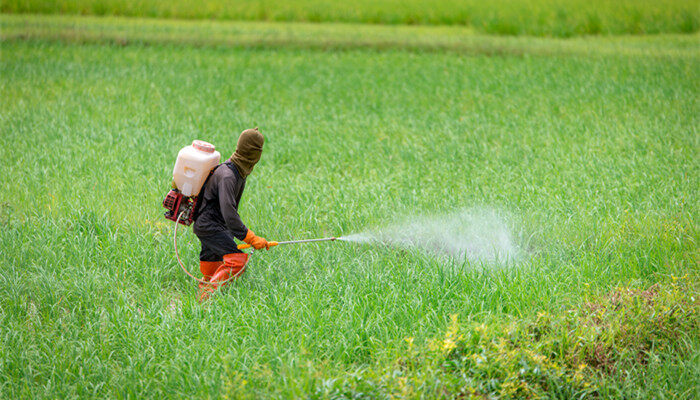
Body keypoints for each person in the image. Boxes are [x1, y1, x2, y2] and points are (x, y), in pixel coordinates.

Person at [192, 128, 269, 301]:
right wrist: (250, 237)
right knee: (237, 261)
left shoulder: (239, 171)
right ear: (254, 154)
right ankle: (206, 296)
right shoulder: (228, 175)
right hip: (210, 225)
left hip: (213, 225)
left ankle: (201, 303)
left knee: (213, 264)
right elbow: (229, 213)